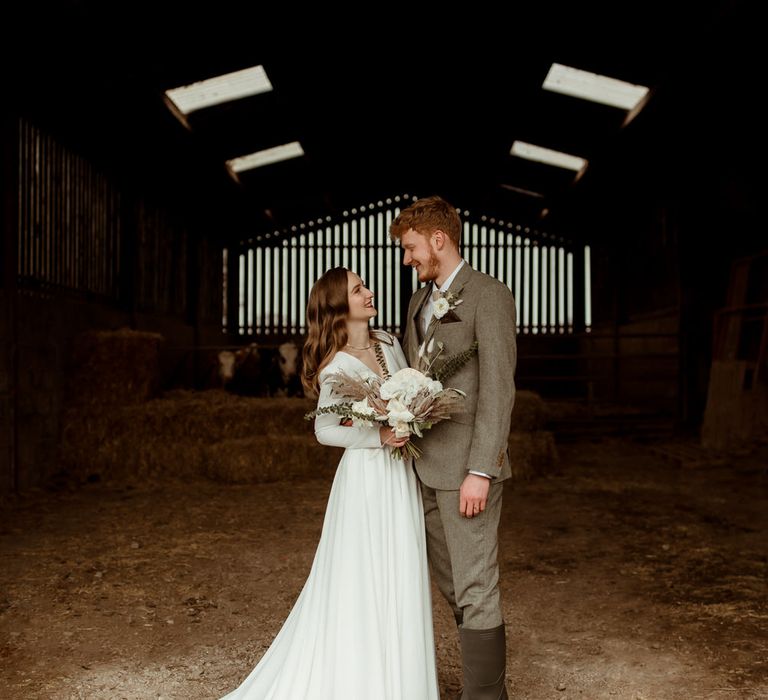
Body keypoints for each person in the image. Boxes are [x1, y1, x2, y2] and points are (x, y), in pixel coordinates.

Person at [220, 267, 439, 700]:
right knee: (362, 580)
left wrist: (414, 415)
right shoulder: (336, 365)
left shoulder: (390, 343)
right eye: (359, 290)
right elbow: (325, 430)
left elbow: (406, 394)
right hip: (365, 481)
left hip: (400, 477)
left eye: (365, 287)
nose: (369, 292)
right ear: (340, 307)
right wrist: (377, 435)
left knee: (403, 569)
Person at [392, 196, 517, 700]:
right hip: (422, 469)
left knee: (475, 586)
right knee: (452, 587)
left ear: (437, 239)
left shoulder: (489, 295)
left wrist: (482, 470)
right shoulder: (418, 302)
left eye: (410, 247)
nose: (407, 258)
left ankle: (486, 697)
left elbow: (498, 387)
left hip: (467, 472)